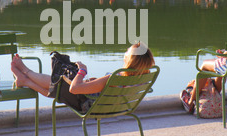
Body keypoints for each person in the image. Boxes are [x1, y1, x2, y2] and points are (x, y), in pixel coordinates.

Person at [11, 42, 154, 101]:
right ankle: (26, 80)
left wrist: (82, 71)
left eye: (127, 53)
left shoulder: (114, 78)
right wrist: (95, 83)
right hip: (108, 104)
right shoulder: (142, 79)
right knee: (58, 89)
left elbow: (75, 88)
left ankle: (25, 70)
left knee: (59, 84)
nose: (125, 53)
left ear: (129, 60)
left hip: (87, 103)